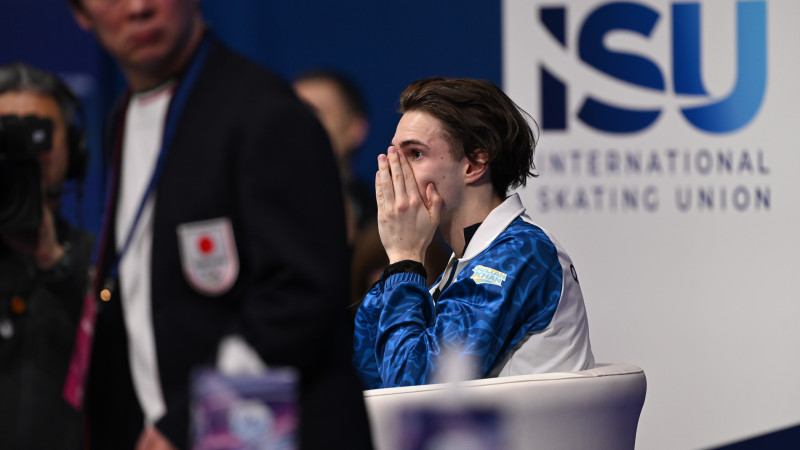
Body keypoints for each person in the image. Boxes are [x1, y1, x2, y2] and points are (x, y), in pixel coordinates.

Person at [67, 1, 372, 449]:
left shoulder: (267, 110)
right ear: (81, 13)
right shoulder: (122, 118)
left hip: (271, 431)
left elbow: (300, 295)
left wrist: (195, 417)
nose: (138, 8)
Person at [352, 77, 594, 389]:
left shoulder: (523, 253)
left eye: (415, 154)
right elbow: (369, 375)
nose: (393, 172)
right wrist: (401, 261)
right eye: (394, 155)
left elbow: (415, 391)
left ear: (475, 163)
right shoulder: (464, 262)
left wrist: (404, 260)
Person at [293, 71, 450, 306]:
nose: (295, 125)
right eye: (289, 114)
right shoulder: (255, 215)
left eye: (312, 113)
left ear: (355, 128)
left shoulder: (401, 219)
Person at [0, 62, 92, 449]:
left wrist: (58, 264)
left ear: (73, 150)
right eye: (5, 133)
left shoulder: (99, 261)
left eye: (39, 133)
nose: (24, 152)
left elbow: (115, 315)